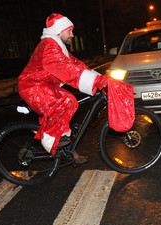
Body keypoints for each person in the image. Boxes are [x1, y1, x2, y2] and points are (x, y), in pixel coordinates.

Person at [18, 13, 110, 162]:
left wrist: (99, 77)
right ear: (59, 31)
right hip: (32, 86)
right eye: (69, 31)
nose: (72, 35)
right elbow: (67, 69)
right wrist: (95, 81)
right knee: (63, 103)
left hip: (43, 85)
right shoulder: (49, 46)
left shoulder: (58, 46)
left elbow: (76, 64)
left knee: (70, 101)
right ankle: (50, 140)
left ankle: (68, 150)